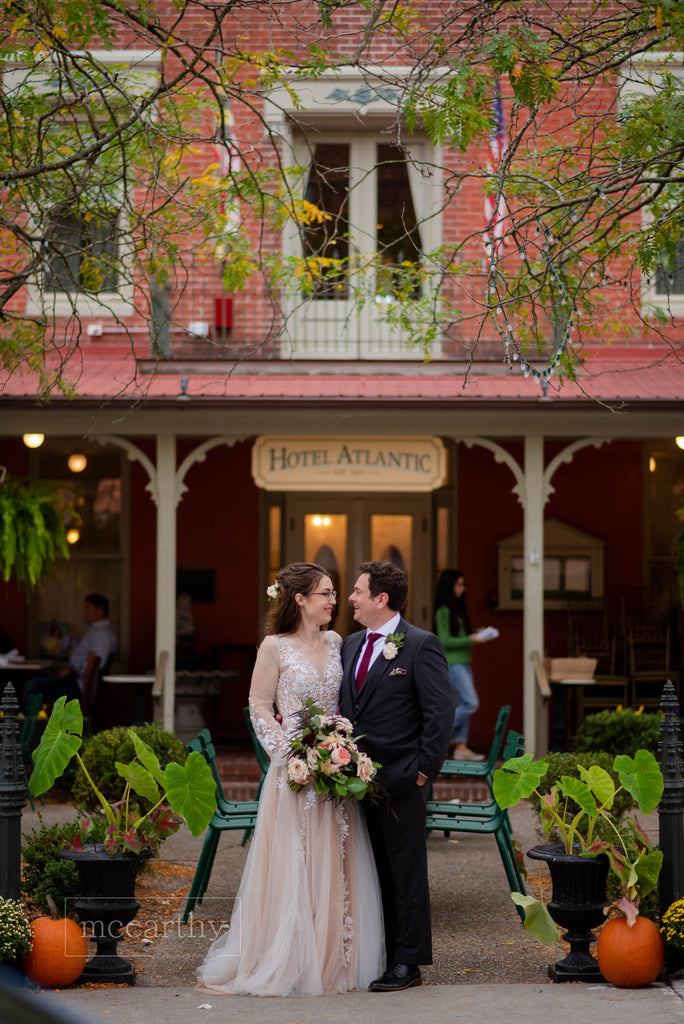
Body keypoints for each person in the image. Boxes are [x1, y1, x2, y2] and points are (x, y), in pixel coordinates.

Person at [197, 562, 384, 997]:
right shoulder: (274, 647)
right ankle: (287, 959)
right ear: (299, 599)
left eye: (336, 593)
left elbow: (344, 701)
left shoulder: (339, 641)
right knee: (293, 864)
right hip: (294, 774)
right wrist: (288, 753)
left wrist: (340, 749)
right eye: (326, 594)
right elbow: (259, 705)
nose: (334, 601)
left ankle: (329, 958)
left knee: (333, 863)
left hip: (333, 768)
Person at [339, 561, 452, 993]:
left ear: (380, 599)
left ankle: (409, 963)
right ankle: (382, 954)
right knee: (373, 871)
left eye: (357, 591)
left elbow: (440, 713)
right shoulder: (350, 645)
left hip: (403, 780)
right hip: (352, 782)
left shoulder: (421, 645)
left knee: (406, 872)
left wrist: (423, 772)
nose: (350, 598)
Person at [22, 593, 117, 710]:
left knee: (32, 686)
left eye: (88, 609)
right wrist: (61, 636)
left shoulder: (102, 635)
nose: (85, 613)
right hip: (74, 682)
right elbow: (81, 649)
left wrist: (72, 670)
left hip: (77, 686)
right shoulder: (96, 631)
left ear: (100, 610)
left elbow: (97, 662)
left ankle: (27, 725)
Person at [433, 568, 487, 762]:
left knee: (463, 703)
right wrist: (471, 639)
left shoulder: (457, 608)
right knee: (471, 703)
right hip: (452, 663)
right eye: (458, 584)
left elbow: (458, 636)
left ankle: (461, 746)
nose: (462, 588)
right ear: (449, 586)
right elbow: (444, 640)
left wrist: (473, 634)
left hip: (463, 661)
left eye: (463, 585)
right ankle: (436, 732)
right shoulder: (443, 610)